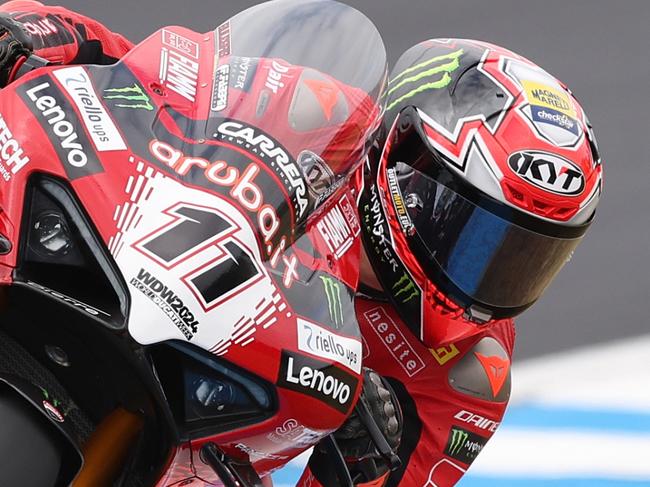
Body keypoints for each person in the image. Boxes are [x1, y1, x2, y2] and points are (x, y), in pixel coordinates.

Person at [0, 5, 603, 487]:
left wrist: (359, 464)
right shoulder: (317, 106)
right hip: (114, 261)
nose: (489, 272)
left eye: (526, 257)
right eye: (475, 230)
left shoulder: (469, 375)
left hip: (197, 447)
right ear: (401, 160)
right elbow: (154, 71)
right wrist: (39, 34)